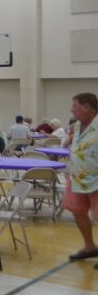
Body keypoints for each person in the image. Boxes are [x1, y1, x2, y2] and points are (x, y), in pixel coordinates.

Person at [63, 93, 98, 267]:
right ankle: (90, 246)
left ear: (86, 107)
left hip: (97, 179)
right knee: (78, 212)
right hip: (78, 177)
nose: (71, 109)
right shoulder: (77, 126)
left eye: (74, 105)